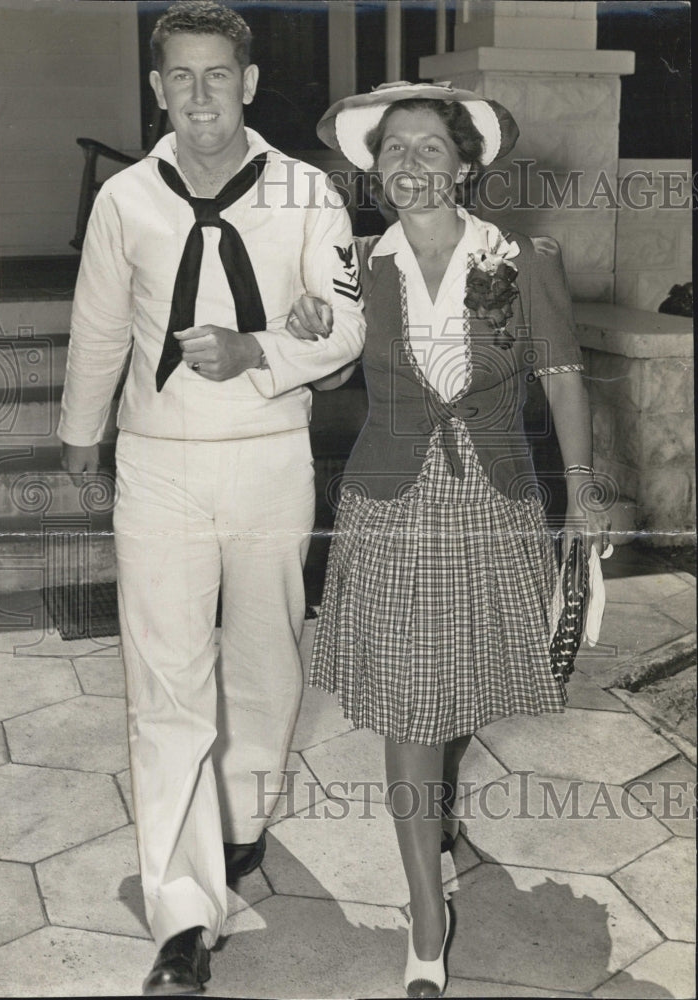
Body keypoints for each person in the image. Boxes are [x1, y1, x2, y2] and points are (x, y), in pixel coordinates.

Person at [58, 3, 365, 994]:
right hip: (158, 464)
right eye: (180, 77)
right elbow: (100, 325)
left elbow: (345, 327)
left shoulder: (308, 193)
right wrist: (79, 434)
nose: (199, 94)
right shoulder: (126, 201)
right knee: (166, 683)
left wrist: (259, 351)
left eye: (216, 75)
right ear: (157, 89)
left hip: (270, 458)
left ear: (248, 82)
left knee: (269, 665)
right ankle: (183, 914)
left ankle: (237, 825)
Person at [287, 82, 611, 999]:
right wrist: (308, 324)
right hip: (390, 501)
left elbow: (561, 376)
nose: (410, 165)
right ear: (375, 169)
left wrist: (582, 495)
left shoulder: (521, 257)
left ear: (465, 166)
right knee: (407, 707)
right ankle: (427, 918)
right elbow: (337, 354)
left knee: (459, 680)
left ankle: (432, 809)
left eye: (431, 148)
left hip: (494, 500)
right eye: (394, 150)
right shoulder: (355, 264)